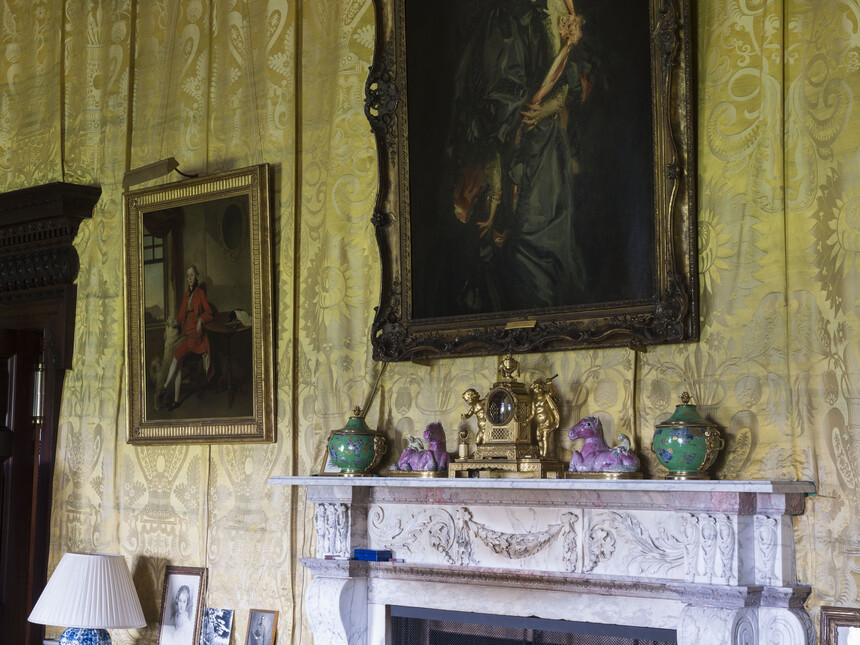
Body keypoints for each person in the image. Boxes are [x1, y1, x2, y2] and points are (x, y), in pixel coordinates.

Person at [441, 0, 591, 315]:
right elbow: (498, 105)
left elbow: (569, 78)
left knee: (548, 256)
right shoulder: (505, 18)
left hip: (547, 155)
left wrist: (552, 105)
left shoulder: (555, 7)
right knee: (525, 264)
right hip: (521, 159)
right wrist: (495, 179)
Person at [157, 265, 214, 411]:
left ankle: (164, 387)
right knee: (179, 362)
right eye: (187, 276)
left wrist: (201, 320)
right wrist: (168, 329)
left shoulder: (200, 293)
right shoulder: (185, 295)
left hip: (195, 336)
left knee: (176, 355)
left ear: (196, 277)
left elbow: (209, 313)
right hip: (185, 334)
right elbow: (180, 316)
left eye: (192, 276)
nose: (189, 279)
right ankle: (176, 400)